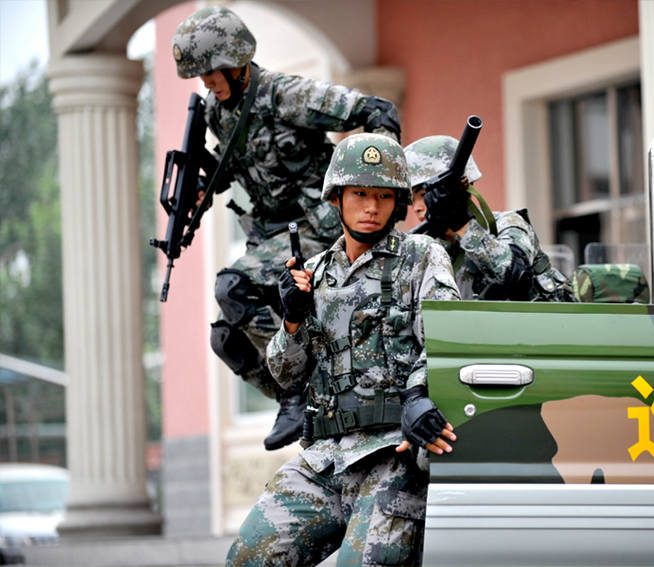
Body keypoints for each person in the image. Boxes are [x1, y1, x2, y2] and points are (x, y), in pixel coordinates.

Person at [171, 6, 402, 450]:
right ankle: (311, 400)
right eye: (201, 77)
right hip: (274, 235)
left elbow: (377, 111)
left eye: (212, 72)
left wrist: (379, 195)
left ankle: (295, 394)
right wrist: (203, 186)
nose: (208, 84)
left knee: (232, 287)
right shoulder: (222, 112)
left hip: (321, 225)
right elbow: (240, 166)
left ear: (236, 60)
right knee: (226, 340)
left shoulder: (285, 94)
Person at [226, 133, 460, 566]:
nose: (371, 207)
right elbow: (286, 373)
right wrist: (292, 319)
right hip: (326, 458)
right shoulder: (313, 272)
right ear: (337, 198)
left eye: (383, 196)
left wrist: (417, 392)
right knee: (248, 558)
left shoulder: (420, 255)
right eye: (360, 194)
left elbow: (447, 336)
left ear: (398, 202)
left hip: (394, 454)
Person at [405, 135, 574, 302]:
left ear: (463, 186)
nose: (417, 207)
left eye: (423, 195)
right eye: (411, 199)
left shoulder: (508, 223)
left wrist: (463, 224)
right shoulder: (427, 245)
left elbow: (515, 274)